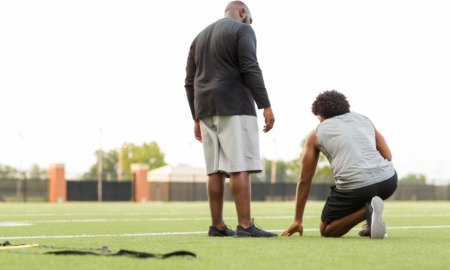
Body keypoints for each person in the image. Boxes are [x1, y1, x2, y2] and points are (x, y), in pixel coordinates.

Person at [184, 1, 276, 238]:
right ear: (242, 12)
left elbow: (189, 81)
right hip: (234, 105)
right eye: (249, 19)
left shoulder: (199, 37)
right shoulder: (243, 29)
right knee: (239, 165)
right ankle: (245, 225)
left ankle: (217, 226)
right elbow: (249, 66)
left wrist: (196, 116)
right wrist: (265, 104)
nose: (249, 23)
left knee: (214, 169)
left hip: (205, 107)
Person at [281, 90, 397, 239]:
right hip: (388, 181)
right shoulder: (364, 120)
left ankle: (367, 211)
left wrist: (298, 220)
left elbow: (304, 180)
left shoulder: (315, 134)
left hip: (356, 187)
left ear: (320, 116)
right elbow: (388, 156)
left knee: (326, 230)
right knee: (368, 190)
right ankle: (371, 219)